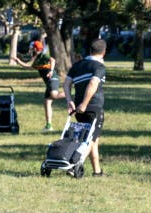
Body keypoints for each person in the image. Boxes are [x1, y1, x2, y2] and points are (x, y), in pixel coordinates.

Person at [63, 38, 107, 177]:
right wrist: (85, 103)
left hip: (78, 109)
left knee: (92, 138)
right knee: (90, 139)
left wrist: (70, 101)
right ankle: (74, 164)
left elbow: (66, 83)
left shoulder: (77, 65)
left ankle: (97, 171)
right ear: (104, 52)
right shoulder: (99, 67)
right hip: (92, 107)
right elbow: (93, 84)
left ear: (89, 51)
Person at [11, 40, 64, 132]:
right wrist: (18, 61)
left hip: (53, 78)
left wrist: (51, 71)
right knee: (47, 103)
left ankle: (70, 93)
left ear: (36, 49)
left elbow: (52, 60)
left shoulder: (43, 55)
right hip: (48, 82)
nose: (31, 50)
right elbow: (29, 67)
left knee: (54, 95)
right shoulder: (37, 59)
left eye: (32, 48)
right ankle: (49, 126)